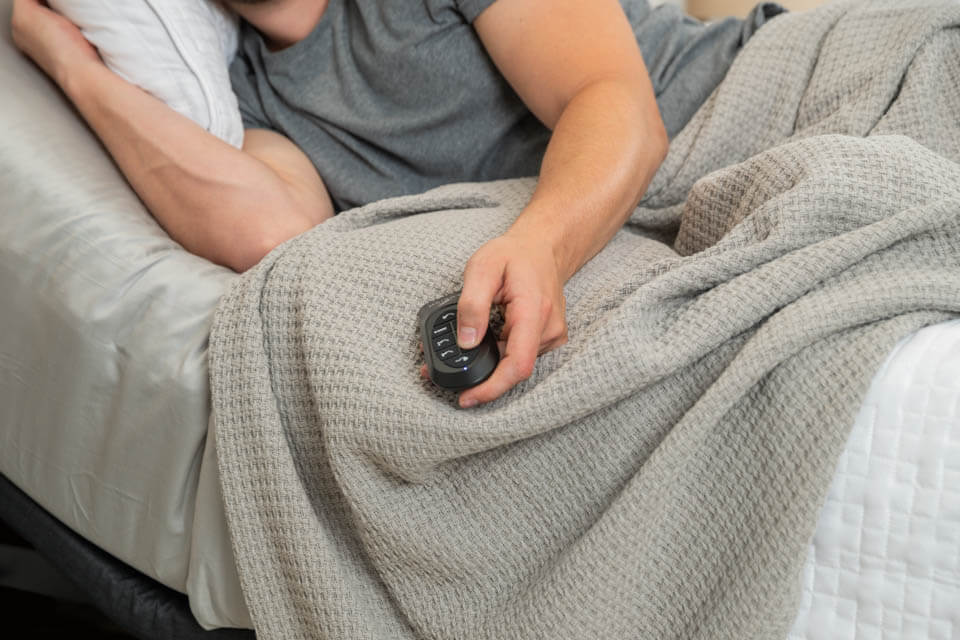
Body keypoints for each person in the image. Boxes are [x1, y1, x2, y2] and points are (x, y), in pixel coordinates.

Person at [10, 0, 782, 407]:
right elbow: (273, 228)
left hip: (761, 95)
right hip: (674, 211)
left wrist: (542, 245)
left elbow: (614, 103)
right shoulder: (247, 99)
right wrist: (72, 66)